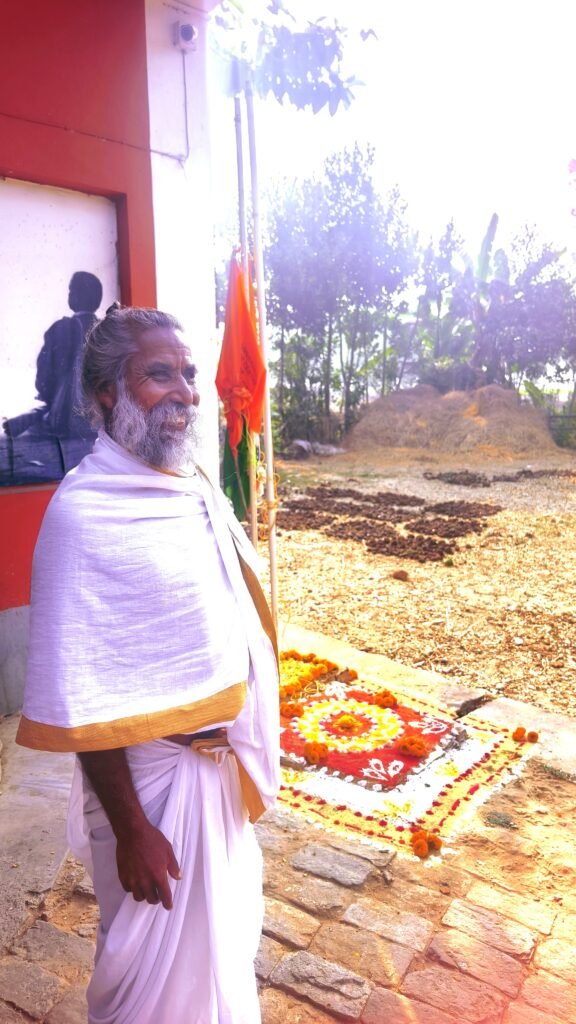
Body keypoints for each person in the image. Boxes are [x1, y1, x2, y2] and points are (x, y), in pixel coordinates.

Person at [17, 304, 280, 1024]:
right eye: (159, 374)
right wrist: (133, 829)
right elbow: (79, 690)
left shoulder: (193, 486)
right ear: (108, 392)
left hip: (215, 781)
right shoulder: (83, 513)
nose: (186, 392)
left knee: (221, 958)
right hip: (149, 792)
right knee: (145, 991)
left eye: (190, 375)